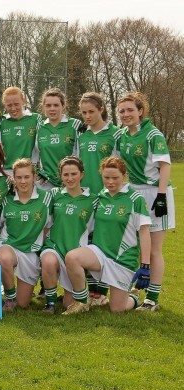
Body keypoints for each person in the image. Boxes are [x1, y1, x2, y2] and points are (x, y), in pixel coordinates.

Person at [64, 156, 151, 314]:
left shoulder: (135, 199)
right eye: (106, 178)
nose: (110, 182)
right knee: (72, 257)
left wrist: (145, 266)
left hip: (122, 260)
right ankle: (82, 301)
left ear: (124, 176)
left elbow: (144, 233)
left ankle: (134, 296)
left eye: (115, 178)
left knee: (117, 309)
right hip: (100, 254)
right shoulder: (101, 196)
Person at [117, 92, 174, 311]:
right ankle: (136, 290)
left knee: (154, 249)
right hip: (134, 193)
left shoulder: (153, 134)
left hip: (155, 193)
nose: (126, 114)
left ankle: (152, 298)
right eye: (122, 111)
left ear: (141, 111)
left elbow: (165, 166)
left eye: (130, 110)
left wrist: (160, 197)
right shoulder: (122, 135)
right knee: (138, 245)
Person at [77, 92, 121, 304]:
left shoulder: (114, 134)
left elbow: (120, 166)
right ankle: (90, 287)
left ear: (102, 109)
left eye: (91, 112)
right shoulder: (82, 135)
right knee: (87, 241)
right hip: (86, 196)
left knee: (103, 241)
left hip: (106, 195)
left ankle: (102, 291)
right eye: (84, 112)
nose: (87, 116)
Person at [40, 157, 98, 313]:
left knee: (69, 304)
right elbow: (43, 221)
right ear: (60, 176)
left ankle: (87, 295)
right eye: (66, 174)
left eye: (74, 174)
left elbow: (95, 230)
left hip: (75, 253)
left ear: (82, 174)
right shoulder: (53, 194)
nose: (70, 178)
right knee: (48, 261)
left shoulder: (93, 200)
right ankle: (50, 303)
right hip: (54, 245)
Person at [0, 159, 52, 311]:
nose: (23, 181)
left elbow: (48, 227)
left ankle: (18, 299)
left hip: (30, 252)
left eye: (27, 177)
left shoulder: (46, 198)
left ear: (34, 177)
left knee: (23, 304)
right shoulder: (6, 200)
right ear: (13, 178)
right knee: (5, 259)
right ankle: (9, 298)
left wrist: (40, 247)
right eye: (19, 177)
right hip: (9, 246)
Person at [35, 88, 82, 190]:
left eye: (56, 105)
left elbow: (81, 153)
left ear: (63, 105)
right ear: (43, 107)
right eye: (48, 105)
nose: (52, 109)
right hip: (46, 184)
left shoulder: (75, 124)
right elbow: (35, 155)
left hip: (70, 182)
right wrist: (38, 173)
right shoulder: (39, 127)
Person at [0, 87, 41, 174]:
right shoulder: (1, 122)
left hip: (29, 172)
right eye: (9, 105)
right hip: (7, 172)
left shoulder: (36, 119)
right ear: (4, 104)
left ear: (24, 101)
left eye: (16, 104)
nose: (13, 108)